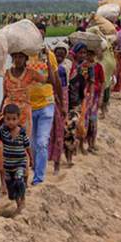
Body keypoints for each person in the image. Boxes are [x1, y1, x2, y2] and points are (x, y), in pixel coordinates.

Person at [28, 23, 63, 185]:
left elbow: (55, 81)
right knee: (32, 144)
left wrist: (61, 104)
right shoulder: (25, 56)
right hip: (28, 106)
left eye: (42, 35)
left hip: (46, 104)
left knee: (42, 142)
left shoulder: (49, 56)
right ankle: (36, 169)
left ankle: (39, 178)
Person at [0, 104, 32, 215]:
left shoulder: (22, 133)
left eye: (14, 119)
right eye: (8, 119)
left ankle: (22, 202)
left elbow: (27, 147)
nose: (11, 122)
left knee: (19, 180)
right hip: (8, 166)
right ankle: (17, 201)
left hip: (20, 163)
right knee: (10, 187)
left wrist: (31, 159)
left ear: (18, 119)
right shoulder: (3, 132)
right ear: (4, 119)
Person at [0, 52, 47, 135]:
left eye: (21, 57)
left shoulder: (31, 73)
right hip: (9, 113)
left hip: (24, 114)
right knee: (7, 141)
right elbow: (4, 95)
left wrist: (49, 61)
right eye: (15, 57)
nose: (18, 60)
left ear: (26, 58)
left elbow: (49, 80)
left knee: (23, 141)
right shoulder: (7, 74)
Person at [48, 41, 71, 175]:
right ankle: (52, 160)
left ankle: (57, 162)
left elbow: (63, 87)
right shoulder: (52, 67)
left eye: (62, 55)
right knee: (52, 131)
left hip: (61, 97)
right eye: (57, 55)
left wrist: (62, 105)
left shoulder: (63, 68)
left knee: (59, 130)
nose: (59, 58)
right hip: (53, 97)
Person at [86, 49, 105, 152]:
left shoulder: (98, 67)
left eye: (90, 54)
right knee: (86, 120)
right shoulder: (84, 67)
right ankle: (87, 143)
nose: (89, 57)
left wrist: (101, 96)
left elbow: (102, 82)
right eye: (87, 54)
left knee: (93, 120)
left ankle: (92, 143)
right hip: (85, 96)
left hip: (95, 96)